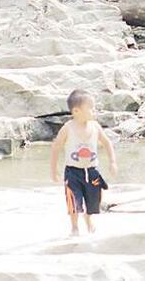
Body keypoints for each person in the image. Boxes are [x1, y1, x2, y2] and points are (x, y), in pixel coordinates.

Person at [50, 89, 118, 237]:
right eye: (91, 108)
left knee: (93, 201)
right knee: (73, 201)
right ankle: (74, 227)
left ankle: (88, 220)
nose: (94, 111)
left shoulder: (95, 126)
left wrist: (112, 161)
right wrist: (54, 170)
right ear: (76, 111)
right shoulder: (68, 128)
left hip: (92, 171)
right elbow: (56, 147)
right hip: (73, 172)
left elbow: (107, 143)